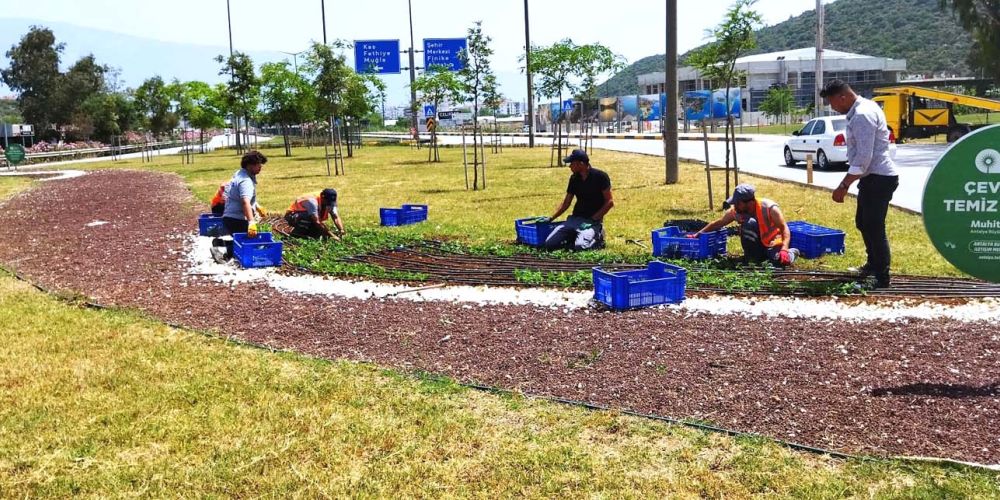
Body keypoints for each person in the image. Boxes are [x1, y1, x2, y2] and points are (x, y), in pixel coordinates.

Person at [820, 79, 899, 288]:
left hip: (879, 177)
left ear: (842, 97)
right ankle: (872, 265)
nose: (833, 107)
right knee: (863, 222)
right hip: (871, 178)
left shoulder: (863, 115)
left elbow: (864, 158)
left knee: (874, 227)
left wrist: (843, 186)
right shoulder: (860, 110)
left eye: (832, 102)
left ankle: (881, 277)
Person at [690, 184, 798, 266]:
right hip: (758, 246)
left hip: (773, 243)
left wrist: (784, 248)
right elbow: (718, 223)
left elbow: (784, 228)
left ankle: (792, 253)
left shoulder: (770, 208)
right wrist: (698, 234)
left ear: (749, 202)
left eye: (737, 203)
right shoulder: (737, 211)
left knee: (778, 262)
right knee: (755, 260)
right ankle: (752, 257)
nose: (735, 206)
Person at [542, 149, 614, 251]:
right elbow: (566, 203)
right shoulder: (574, 178)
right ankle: (575, 236)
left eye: (572, 163)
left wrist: (593, 220)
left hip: (591, 222)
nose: (569, 166)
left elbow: (609, 202)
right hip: (574, 219)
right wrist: (551, 218)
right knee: (549, 243)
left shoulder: (600, 176)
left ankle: (599, 237)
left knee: (580, 247)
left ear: (581, 164)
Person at [222, 150, 268, 238]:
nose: (260, 166)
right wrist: (251, 222)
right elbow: (245, 202)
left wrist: (257, 206)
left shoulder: (239, 174)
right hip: (237, 219)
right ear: (249, 165)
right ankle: (223, 249)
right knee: (248, 247)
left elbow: (239, 195)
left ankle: (222, 245)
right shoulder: (246, 181)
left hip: (229, 218)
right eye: (257, 164)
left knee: (242, 244)